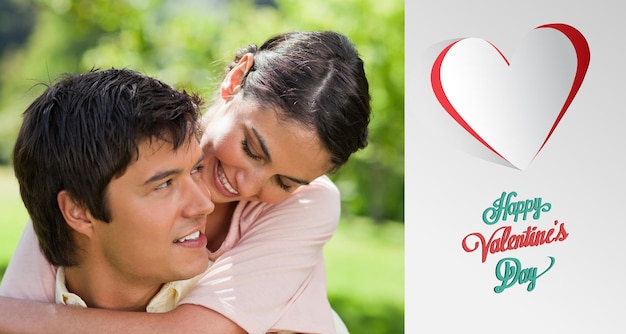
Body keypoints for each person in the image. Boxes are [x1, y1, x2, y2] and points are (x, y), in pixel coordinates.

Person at [0, 30, 370, 334]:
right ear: (235, 78)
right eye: (251, 149)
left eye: (285, 182)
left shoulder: (307, 204)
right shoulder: (116, 150)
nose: (247, 185)